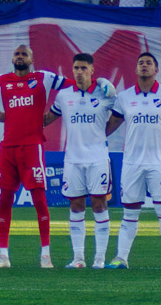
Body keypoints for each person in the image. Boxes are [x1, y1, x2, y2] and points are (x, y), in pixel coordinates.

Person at [0, 44, 64, 269]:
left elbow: (72, 85)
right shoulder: (1, 81)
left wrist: (100, 83)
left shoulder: (44, 77)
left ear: (31, 59)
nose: (20, 57)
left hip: (32, 147)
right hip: (8, 147)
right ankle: (3, 256)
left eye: (24, 54)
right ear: (12, 59)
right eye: (17, 54)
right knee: (5, 200)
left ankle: (46, 255)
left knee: (39, 200)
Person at [105, 53, 161, 270]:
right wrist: (93, 137)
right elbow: (111, 125)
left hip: (159, 162)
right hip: (132, 163)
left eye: (149, 63)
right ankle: (121, 258)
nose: (144, 65)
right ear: (136, 69)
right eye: (141, 62)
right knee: (129, 213)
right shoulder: (124, 97)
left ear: (156, 70)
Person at [49, 53, 117, 269]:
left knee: (99, 205)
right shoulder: (63, 96)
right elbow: (49, 118)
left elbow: (120, 113)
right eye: (76, 68)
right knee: (76, 205)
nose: (79, 72)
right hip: (72, 159)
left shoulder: (105, 93)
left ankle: (99, 258)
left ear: (92, 70)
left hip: (98, 158)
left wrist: (104, 133)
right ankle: (78, 258)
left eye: (84, 68)